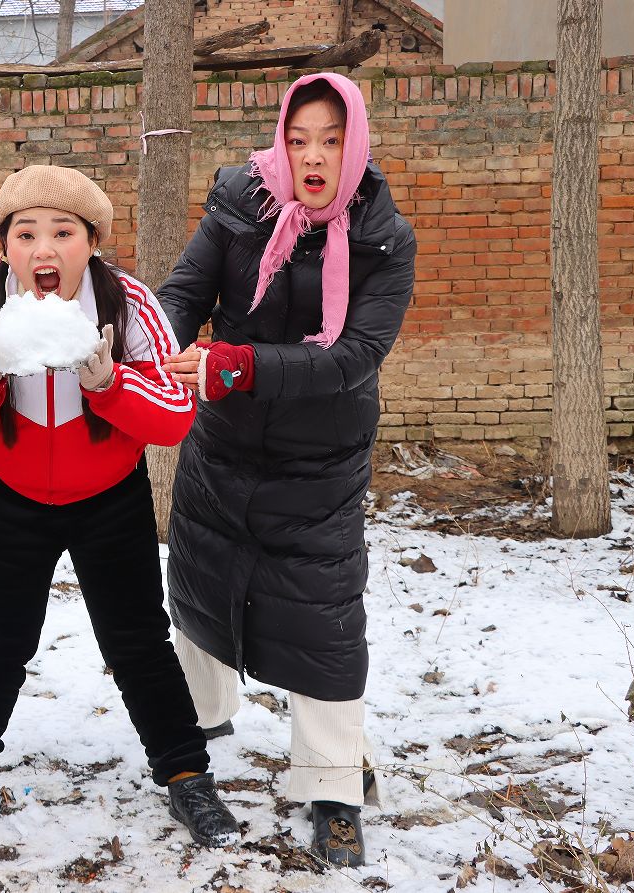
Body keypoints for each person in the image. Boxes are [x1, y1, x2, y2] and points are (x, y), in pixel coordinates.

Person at [0, 164, 240, 847]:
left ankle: (186, 776)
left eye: (63, 232)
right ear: (4, 248)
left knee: (137, 638)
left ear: (92, 242)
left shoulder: (126, 305)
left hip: (108, 495)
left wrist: (111, 385)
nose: (44, 249)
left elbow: (174, 415)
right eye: (26, 234)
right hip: (12, 496)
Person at [155, 72, 417, 866]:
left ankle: (336, 790)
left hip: (321, 462)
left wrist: (236, 365)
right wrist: (153, 346)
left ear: (356, 146)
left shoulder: (384, 238)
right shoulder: (241, 203)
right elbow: (183, 291)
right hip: (225, 448)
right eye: (298, 138)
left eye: (331, 141)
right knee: (198, 591)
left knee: (325, 624)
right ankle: (190, 743)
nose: (312, 156)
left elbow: (354, 356)